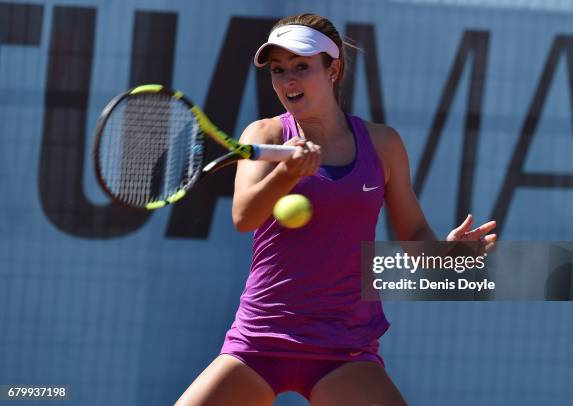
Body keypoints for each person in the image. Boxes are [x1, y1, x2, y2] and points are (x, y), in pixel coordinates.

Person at [175, 13, 496, 406]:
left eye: (301, 67)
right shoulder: (265, 135)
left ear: (333, 69)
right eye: (278, 70)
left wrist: (445, 255)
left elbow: (413, 232)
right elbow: (244, 216)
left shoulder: (383, 144)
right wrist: (287, 175)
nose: (288, 80)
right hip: (262, 340)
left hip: (344, 348)